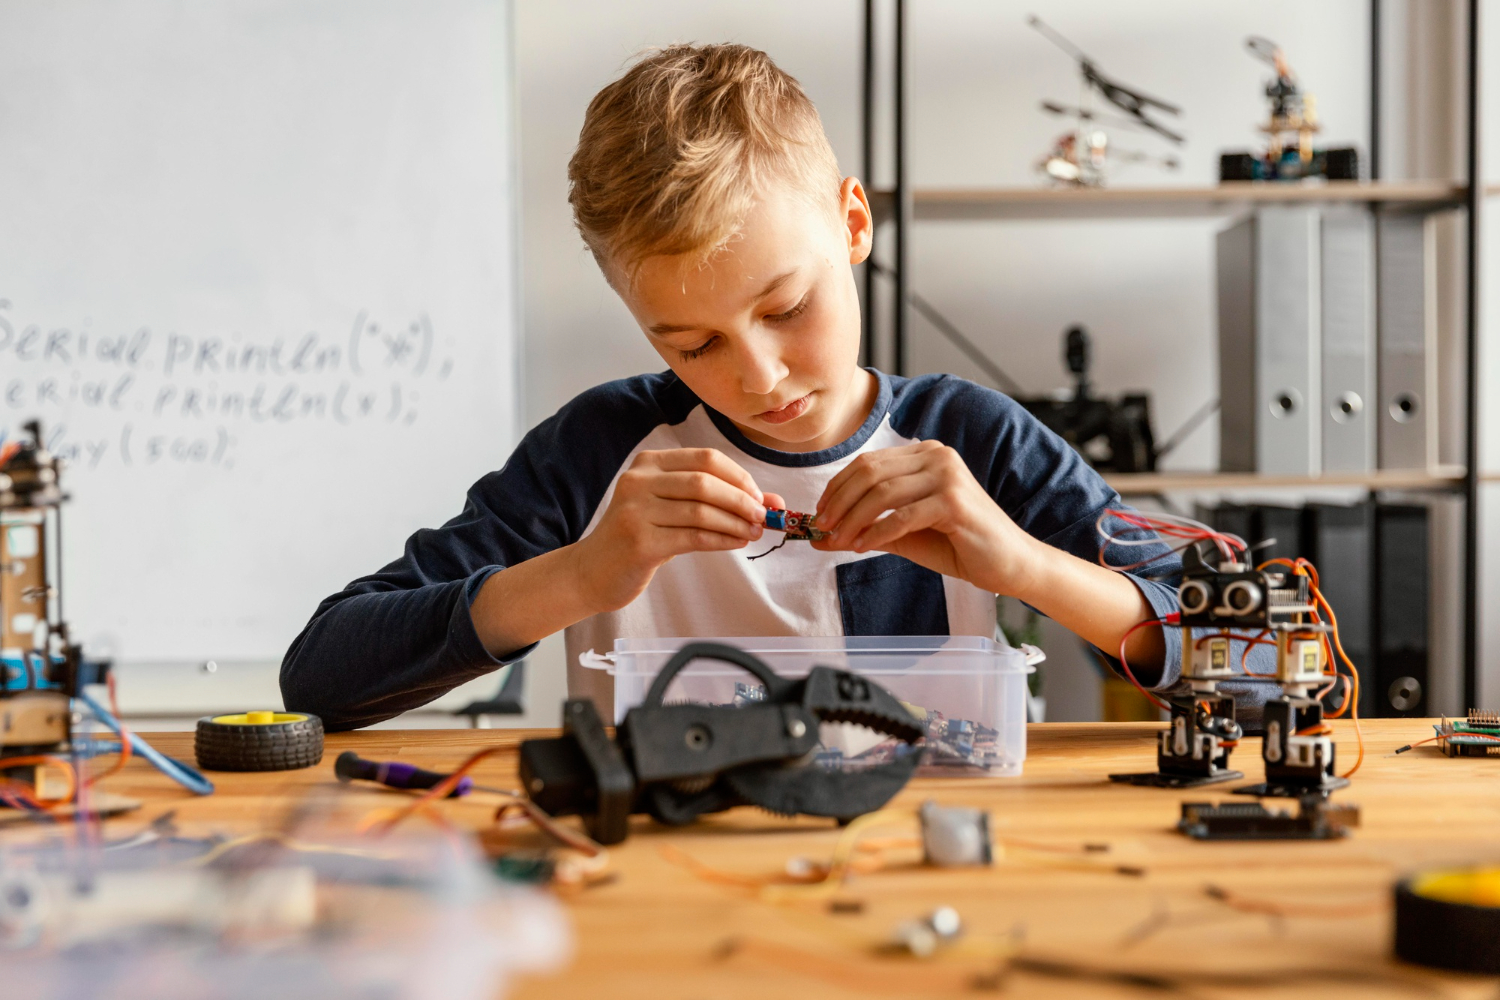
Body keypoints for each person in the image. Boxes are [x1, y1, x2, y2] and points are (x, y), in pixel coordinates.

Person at [281, 43, 1204, 730]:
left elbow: (1261, 664)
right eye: (690, 345)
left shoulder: (972, 441)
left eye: (788, 307)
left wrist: (1021, 566)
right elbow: (320, 679)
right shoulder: (601, 451)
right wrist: (580, 575)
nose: (757, 377)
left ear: (852, 223)